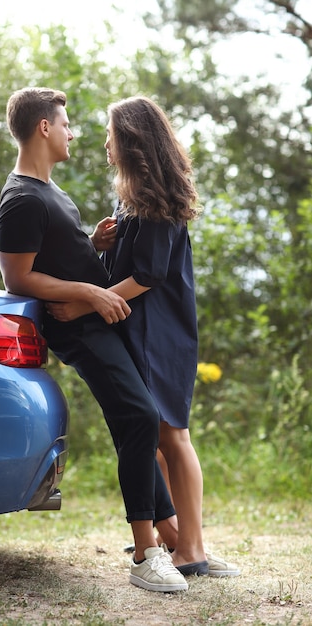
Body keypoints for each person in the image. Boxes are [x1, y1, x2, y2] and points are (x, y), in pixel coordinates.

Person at [0, 86, 190, 594]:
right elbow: (18, 278)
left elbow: (58, 254)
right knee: (141, 418)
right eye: (65, 124)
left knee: (137, 421)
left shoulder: (51, 192)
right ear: (44, 127)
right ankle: (148, 554)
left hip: (96, 321)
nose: (72, 132)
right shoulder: (19, 197)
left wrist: (92, 244)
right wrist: (88, 292)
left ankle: (170, 537)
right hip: (75, 326)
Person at [48, 96, 240, 578]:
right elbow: (132, 265)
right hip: (139, 326)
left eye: (111, 133)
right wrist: (100, 245)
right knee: (153, 436)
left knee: (174, 435)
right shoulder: (133, 197)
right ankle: (175, 538)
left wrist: (89, 300)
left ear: (131, 139)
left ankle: (191, 548)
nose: (104, 142)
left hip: (161, 331)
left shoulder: (155, 200)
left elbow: (150, 275)